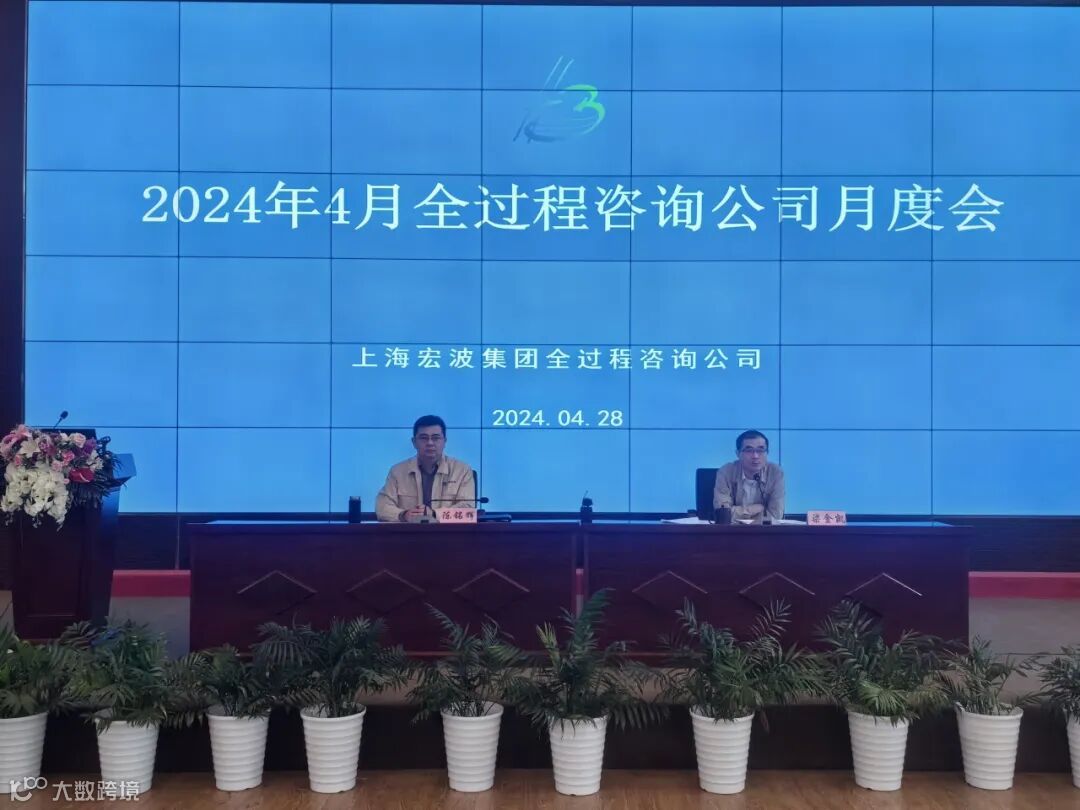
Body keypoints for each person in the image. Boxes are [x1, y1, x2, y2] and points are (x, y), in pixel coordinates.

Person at [375, 415, 477, 522]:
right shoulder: (397, 471)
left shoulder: (462, 470)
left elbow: (468, 511)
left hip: (449, 532)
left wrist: (434, 514)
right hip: (409, 531)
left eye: (436, 438)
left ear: (444, 441)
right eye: (424, 438)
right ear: (414, 442)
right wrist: (403, 515)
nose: (430, 443)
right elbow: (382, 507)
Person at [713, 430, 785, 524]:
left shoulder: (775, 473)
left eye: (760, 450)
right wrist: (756, 509)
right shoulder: (726, 471)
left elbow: (776, 515)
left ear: (767, 452)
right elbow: (723, 513)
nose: (755, 456)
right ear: (738, 453)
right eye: (749, 450)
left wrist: (738, 513)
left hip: (765, 531)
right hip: (731, 531)